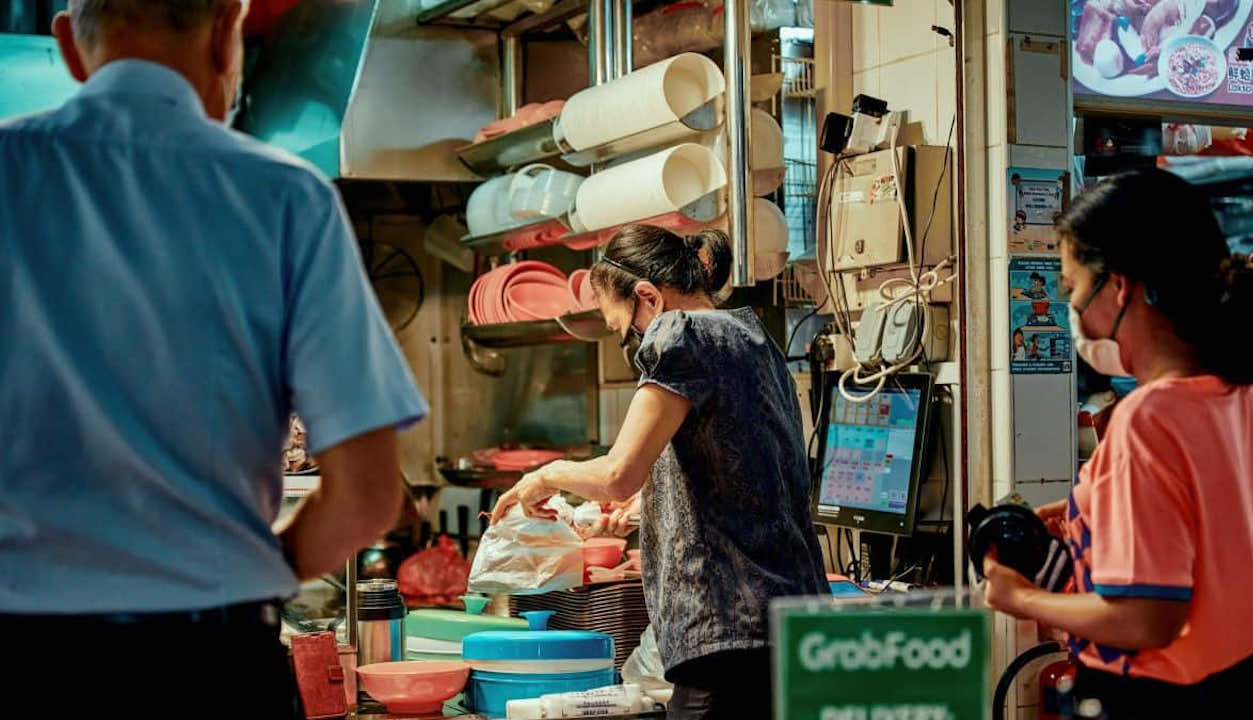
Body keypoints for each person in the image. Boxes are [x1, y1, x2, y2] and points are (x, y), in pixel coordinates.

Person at [0, 0, 427, 715]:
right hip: (215, 663)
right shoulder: (287, 197)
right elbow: (368, 495)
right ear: (229, 30)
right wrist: (256, 568)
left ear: (70, 47)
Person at [491, 226, 829, 720]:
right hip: (789, 625)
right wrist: (643, 512)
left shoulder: (680, 335)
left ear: (647, 297)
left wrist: (545, 476)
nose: (632, 345)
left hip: (726, 635)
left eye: (624, 330)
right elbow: (742, 473)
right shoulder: (753, 335)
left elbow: (617, 474)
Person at [982, 169, 1253, 719]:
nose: (1073, 313)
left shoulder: (1148, 418)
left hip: (1153, 702)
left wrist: (1017, 597)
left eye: (1071, 289)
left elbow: (1147, 618)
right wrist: (1096, 518)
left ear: (1119, 286)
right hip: (1240, 694)